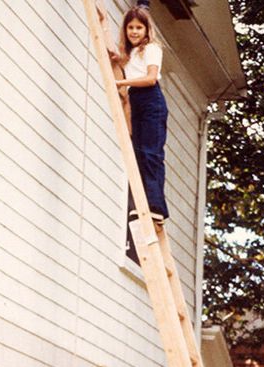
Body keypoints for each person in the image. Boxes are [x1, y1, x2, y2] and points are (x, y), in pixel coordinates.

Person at [114, 5, 169, 226]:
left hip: (151, 99)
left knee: (150, 153)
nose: (134, 32)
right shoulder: (130, 54)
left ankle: (156, 206)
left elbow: (150, 78)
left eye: (139, 27)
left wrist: (121, 82)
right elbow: (121, 60)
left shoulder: (152, 49)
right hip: (136, 99)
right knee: (138, 154)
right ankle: (141, 204)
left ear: (147, 30)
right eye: (130, 27)